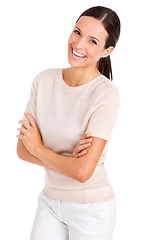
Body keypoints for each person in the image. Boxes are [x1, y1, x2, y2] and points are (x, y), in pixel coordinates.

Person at [16, 5, 121, 240]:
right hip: (50, 201)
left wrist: (39, 148)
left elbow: (83, 172)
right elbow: (22, 150)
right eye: (77, 32)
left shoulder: (105, 94)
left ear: (107, 51)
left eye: (93, 41)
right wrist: (67, 163)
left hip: (91, 209)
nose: (79, 44)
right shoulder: (43, 81)